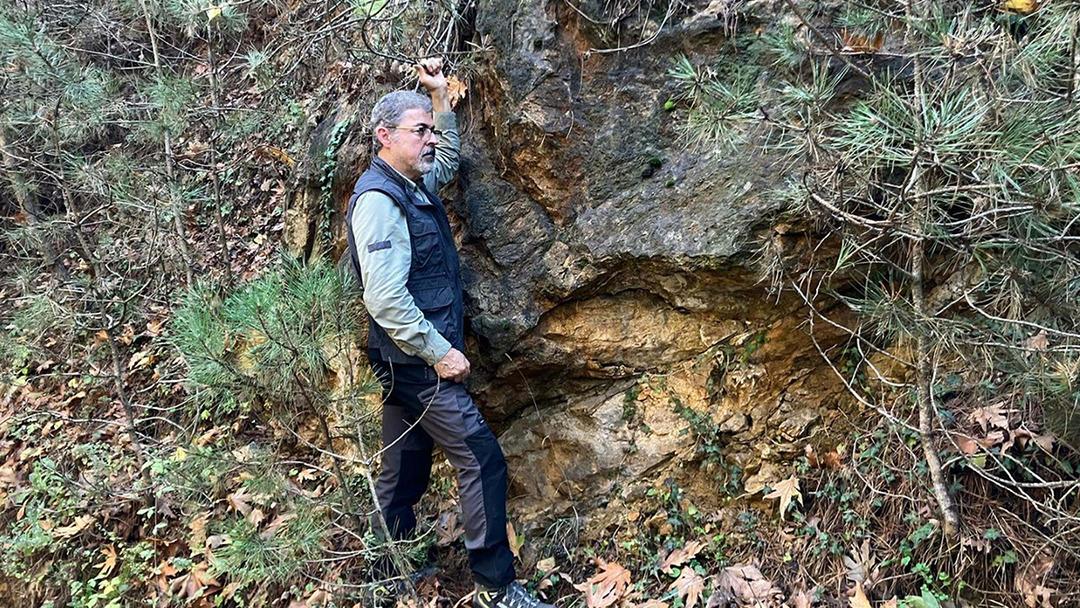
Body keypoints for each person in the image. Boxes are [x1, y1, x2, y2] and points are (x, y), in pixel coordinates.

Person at [345, 58, 554, 608]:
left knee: (403, 468)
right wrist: (440, 353)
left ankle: (384, 570)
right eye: (420, 131)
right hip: (418, 362)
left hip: (402, 360)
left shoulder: (411, 181)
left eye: (430, 130)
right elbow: (385, 296)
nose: (430, 139)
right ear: (385, 136)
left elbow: (450, 160)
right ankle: (495, 586)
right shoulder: (379, 202)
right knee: (480, 457)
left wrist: (439, 99)